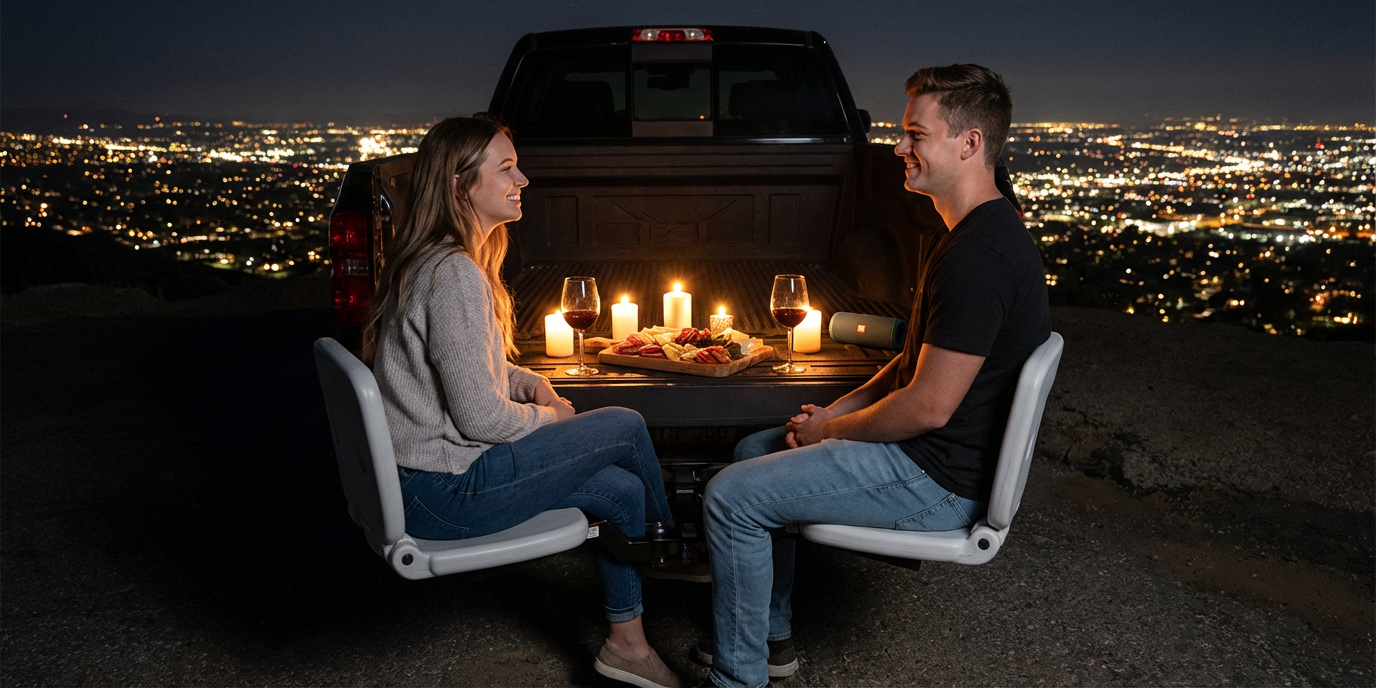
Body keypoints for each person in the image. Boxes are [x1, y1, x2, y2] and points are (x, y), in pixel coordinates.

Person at [693, 65, 1051, 687]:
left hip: (937, 478)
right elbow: (910, 362)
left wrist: (831, 431)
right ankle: (771, 640)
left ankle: (738, 680)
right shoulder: (970, 232)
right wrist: (836, 411)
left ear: (969, 143)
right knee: (755, 450)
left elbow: (928, 406)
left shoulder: (979, 258)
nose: (898, 147)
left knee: (731, 496)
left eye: (917, 134)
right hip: (930, 455)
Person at [363, 114, 683, 688]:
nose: (523, 180)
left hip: (429, 481)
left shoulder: (436, 260)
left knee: (623, 490)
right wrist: (549, 417)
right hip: (444, 492)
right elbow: (480, 417)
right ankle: (671, 551)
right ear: (461, 185)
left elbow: (465, 365)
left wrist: (529, 382)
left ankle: (627, 647)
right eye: (506, 168)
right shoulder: (454, 275)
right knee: (624, 424)